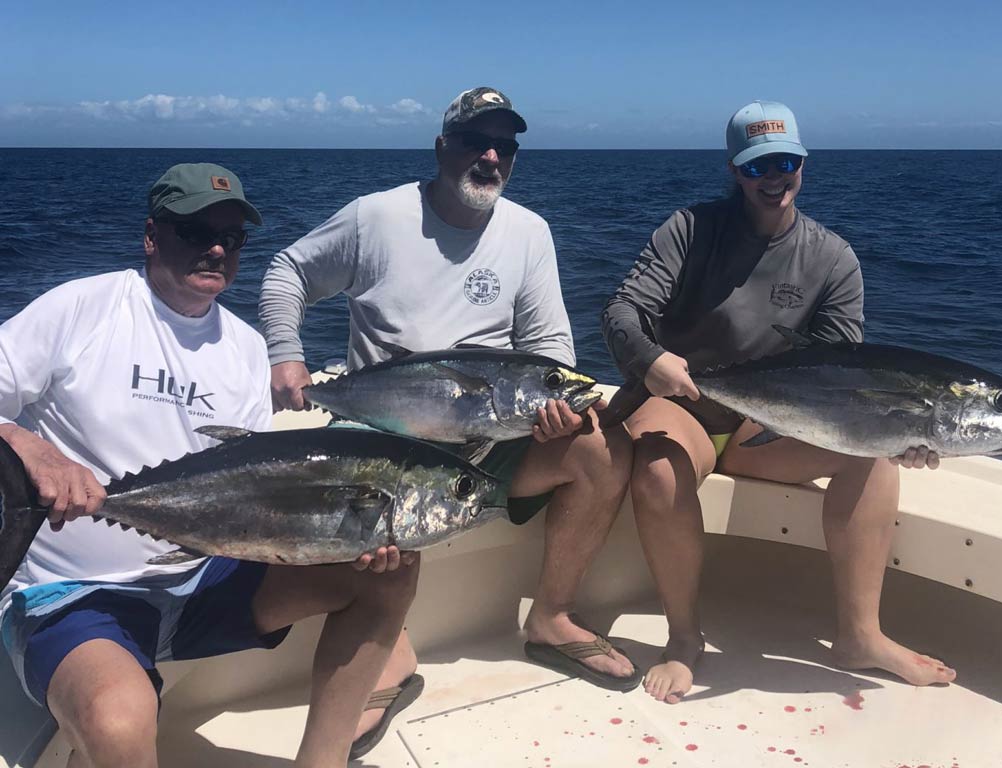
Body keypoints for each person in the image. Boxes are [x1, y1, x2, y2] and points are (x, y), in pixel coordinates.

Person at [0, 163, 418, 767]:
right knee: (119, 724)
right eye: (197, 232)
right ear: (152, 236)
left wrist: (337, 539)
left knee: (392, 567)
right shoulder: (83, 309)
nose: (217, 249)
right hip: (76, 595)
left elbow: (248, 492)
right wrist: (33, 449)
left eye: (233, 237)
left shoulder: (247, 348)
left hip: (204, 576)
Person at [259, 87, 641, 730]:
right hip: (381, 425)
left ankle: (551, 617)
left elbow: (548, 350)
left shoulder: (529, 232)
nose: (490, 155)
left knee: (605, 448)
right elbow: (287, 270)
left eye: (505, 145)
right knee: (371, 502)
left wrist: (558, 413)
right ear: (442, 147)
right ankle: (390, 654)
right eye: (473, 141)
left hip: (490, 434)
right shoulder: (375, 218)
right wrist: (285, 353)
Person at [602, 101, 957, 705]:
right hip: (684, 404)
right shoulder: (689, 228)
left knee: (869, 456)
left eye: (786, 163)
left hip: (767, 425)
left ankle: (861, 637)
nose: (774, 177)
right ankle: (685, 638)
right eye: (757, 165)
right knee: (658, 469)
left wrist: (898, 432)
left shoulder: (832, 258)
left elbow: (845, 374)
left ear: (803, 164)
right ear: (735, 170)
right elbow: (622, 311)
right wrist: (651, 361)